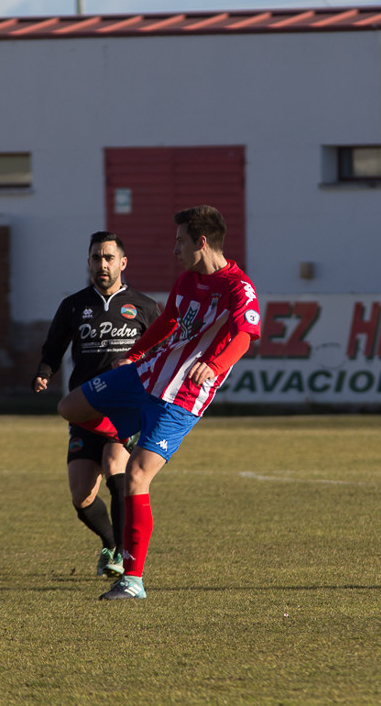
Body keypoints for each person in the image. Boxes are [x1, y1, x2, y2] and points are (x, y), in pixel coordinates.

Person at [57, 205, 261, 601]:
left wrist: (214, 364)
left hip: (181, 398)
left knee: (135, 477)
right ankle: (128, 432)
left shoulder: (239, 287)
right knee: (70, 407)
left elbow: (244, 335)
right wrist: (135, 353)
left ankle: (132, 580)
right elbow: (168, 320)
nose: (174, 249)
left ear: (201, 242)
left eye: (180, 241)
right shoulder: (186, 280)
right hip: (146, 374)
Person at [34, 231, 160, 579]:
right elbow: (54, 345)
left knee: (115, 465)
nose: (101, 264)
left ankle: (122, 554)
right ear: (88, 262)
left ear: (123, 262)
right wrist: (44, 371)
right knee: (81, 496)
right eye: (95, 258)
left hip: (122, 409)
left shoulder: (146, 306)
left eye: (108, 258)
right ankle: (109, 542)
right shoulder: (74, 305)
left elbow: (163, 350)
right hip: (84, 409)